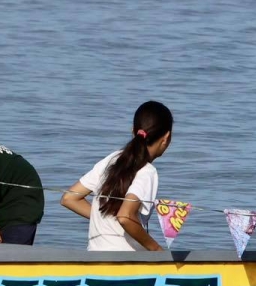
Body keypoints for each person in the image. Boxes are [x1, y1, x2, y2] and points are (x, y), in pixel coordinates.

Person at [60, 102, 173, 252]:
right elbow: (125, 217)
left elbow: (69, 198)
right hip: (126, 261)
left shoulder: (111, 159)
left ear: (133, 131)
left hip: (93, 259)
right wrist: (157, 250)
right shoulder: (147, 172)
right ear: (166, 138)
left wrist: (104, 220)